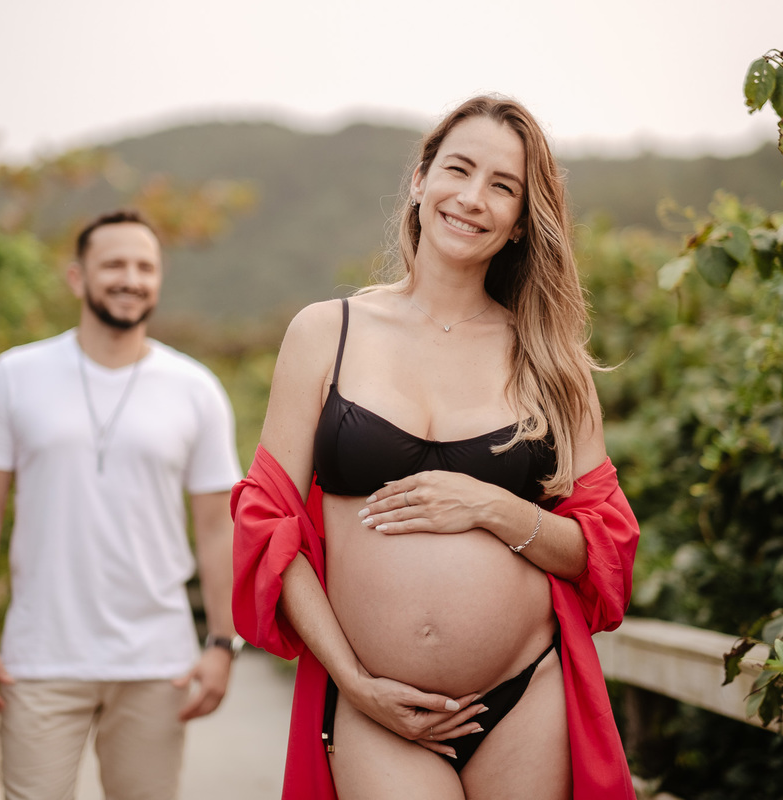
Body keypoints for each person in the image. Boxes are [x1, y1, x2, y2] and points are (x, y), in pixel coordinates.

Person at [232, 96, 640, 799]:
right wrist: (353, 682)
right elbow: (269, 527)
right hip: (375, 701)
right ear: (421, 180)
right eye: (459, 169)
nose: (473, 198)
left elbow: (603, 549)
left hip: (525, 693)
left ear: (521, 221)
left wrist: (494, 508)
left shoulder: (551, 362)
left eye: (503, 186)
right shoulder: (326, 333)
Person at [0, 209, 243, 800]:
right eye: (113, 265)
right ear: (77, 277)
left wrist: (222, 643)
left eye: (145, 267)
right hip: (41, 656)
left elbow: (217, 528)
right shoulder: (15, 375)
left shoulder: (196, 389)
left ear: (158, 279)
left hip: (157, 662)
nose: (130, 279)